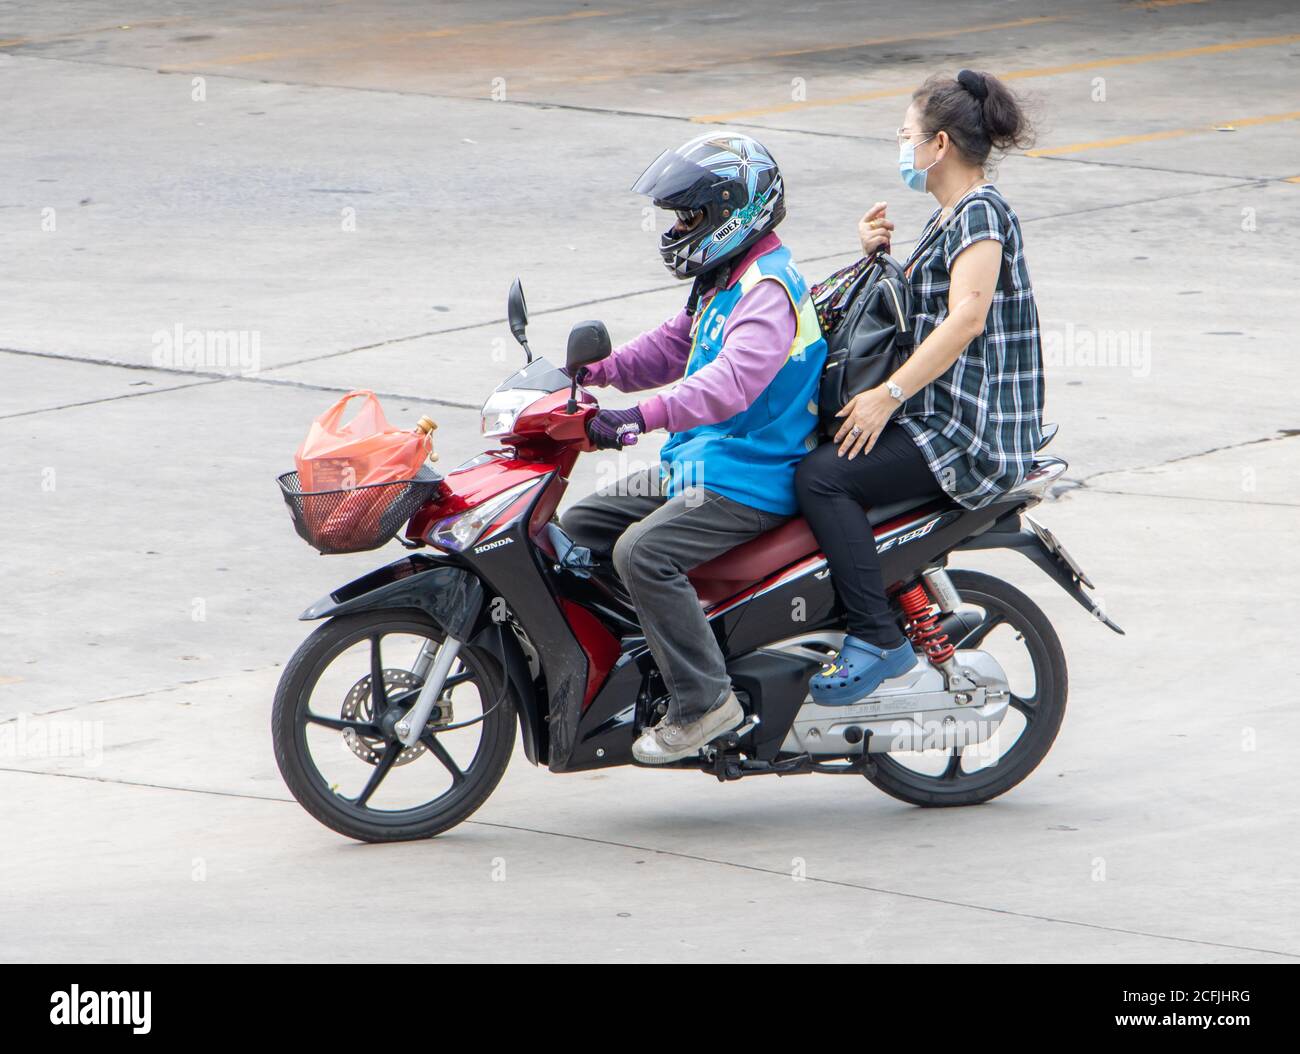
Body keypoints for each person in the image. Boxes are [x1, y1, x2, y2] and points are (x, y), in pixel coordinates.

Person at [562, 132, 827, 764]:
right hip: (704, 463)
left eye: (691, 215)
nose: (679, 227)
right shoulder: (723, 277)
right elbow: (675, 345)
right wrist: (596, 374)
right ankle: (661, 653)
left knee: (643, 555)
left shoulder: (765, 288)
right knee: (576, 528)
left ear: (735, 210)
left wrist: (638, 415)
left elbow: (731, 383)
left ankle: (705, 699)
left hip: (751, 477)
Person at [796, 68, 1043, 704]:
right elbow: (912, 314)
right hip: (938, 415)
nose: (900, 146)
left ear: (939, 145)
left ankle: (877, 637)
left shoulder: (980, 213)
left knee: (822, 477)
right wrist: (876, 254)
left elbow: (967, 317)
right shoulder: (950, 217)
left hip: (965, 431)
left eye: (906, 134)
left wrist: (888, 396)